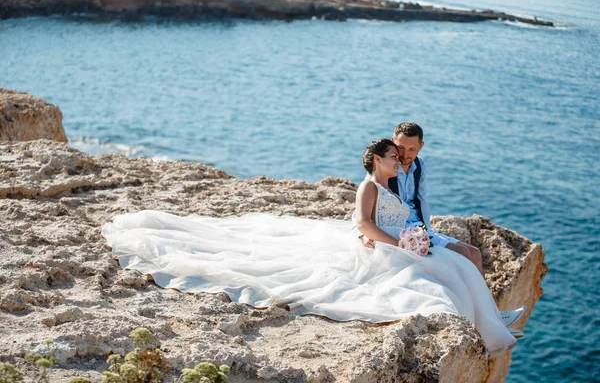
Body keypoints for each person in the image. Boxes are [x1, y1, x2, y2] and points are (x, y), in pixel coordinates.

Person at [101, 139, 525, 355]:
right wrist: (401, 243)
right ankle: (489, 327)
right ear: (377, 159)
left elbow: (392, 219)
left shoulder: (391, 185)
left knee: (457, 266)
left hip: (402, 246)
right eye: (394, 157)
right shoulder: (368, 186)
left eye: (400, 157)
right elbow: (362, 223)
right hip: (387, 252)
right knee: (443, 279)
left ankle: (493, 321)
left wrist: (414, 238)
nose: (400, 162)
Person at [354, 123, 484, 275]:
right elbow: (361, 212)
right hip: (401, 230)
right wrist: (363, 235)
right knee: (462, 253)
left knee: (474, 253)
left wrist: (427, 231)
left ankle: (480, 299)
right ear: (393, 141)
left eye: (412, 149)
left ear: (421, 146)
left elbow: (421, 201)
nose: (404, 154)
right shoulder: (383, 169)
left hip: (418, 228)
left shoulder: (419, 165)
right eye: (400, 148)